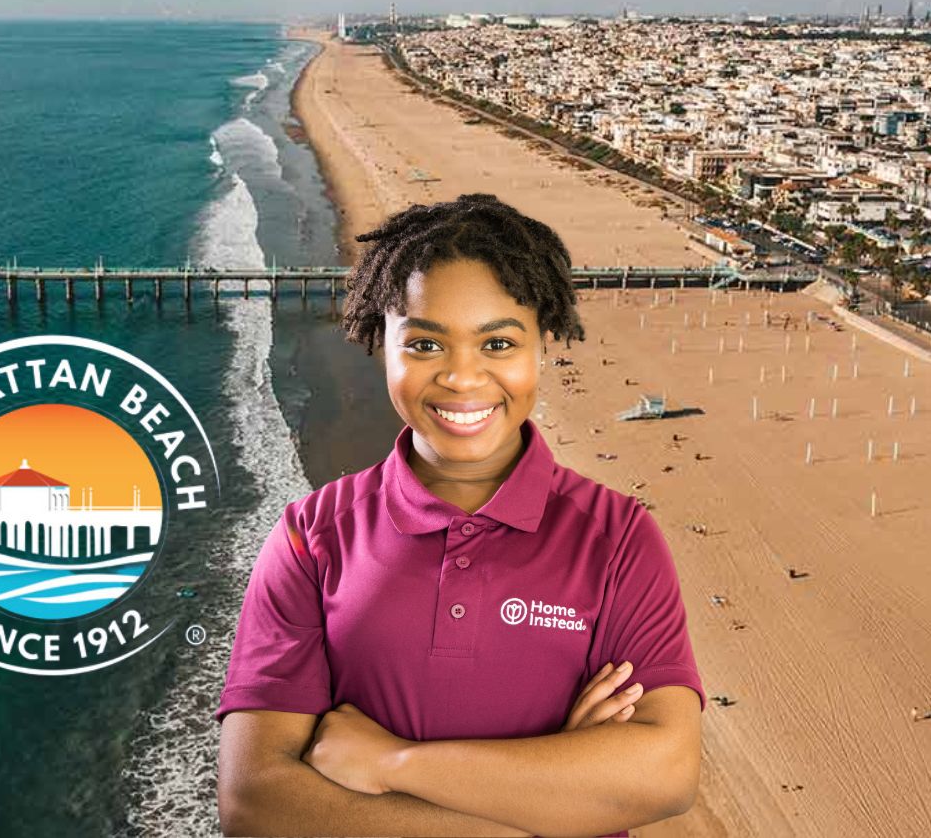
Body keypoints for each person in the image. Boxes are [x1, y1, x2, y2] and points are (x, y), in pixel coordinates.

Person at [214, 194, 706, 837]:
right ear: (378, 343)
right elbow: (255, 804)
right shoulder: (314, 536)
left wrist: (392, 763)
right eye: (424, 344)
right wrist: (559, 800)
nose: (462, 378)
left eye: (498, 342)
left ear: (542, 345)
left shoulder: (616, 539)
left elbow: (665, 774)